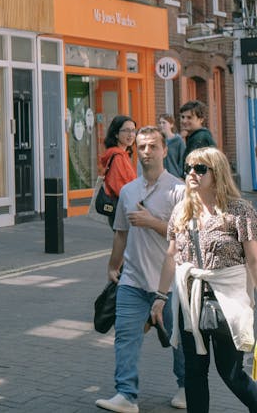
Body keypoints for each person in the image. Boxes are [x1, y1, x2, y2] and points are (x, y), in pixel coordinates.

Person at [151, 147, 257, 413]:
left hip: (228, 302)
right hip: (190, 302)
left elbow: (253, 259)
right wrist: (161, 297)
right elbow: (171, 256)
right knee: (194, 372)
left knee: (231, 373)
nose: (192, 174)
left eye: (200, 169)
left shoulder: (240, 210)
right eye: (188, 168)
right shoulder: (181, 211)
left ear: (217, 172)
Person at [95, 126, 186, 413]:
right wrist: (113, 266)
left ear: (164, 150)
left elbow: (184, 239)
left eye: (153, 147)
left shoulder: (179, 190)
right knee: (125, 337)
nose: (146, 152)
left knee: (179, 341)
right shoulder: (127, 190)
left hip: (169, 282)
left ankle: (186, 387)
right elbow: (120, 232)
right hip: (132, 280)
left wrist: (153, 222)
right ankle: (126, 395)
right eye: (143, 147)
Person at [99, 115, 139, 225]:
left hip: (123, 206)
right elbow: (120, 187)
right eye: (126, 130)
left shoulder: (122, 154)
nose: (131, 134)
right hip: (122, 208)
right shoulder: (118, 157)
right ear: (116, 134)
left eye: (133, 130)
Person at [178, 101, 216, 174]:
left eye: (189, 117)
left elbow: (197, 168)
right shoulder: (195, 136)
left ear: (201, 119)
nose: (184, 121)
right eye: (182, 117)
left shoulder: (200, 138)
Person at [159, 114, 186, 179]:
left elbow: (183, 160)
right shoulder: (159, 141)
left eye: (164, 123)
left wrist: (181, 176)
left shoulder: (178, 141)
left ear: (171, 125)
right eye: (160, 123)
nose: (161, 125)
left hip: (175, 178)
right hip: (162, 178)